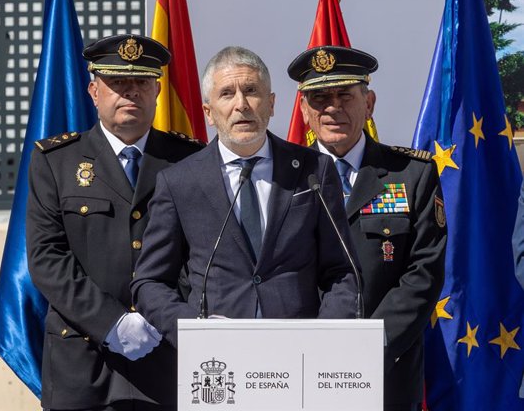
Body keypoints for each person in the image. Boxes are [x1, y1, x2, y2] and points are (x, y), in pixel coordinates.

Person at [130, 46, 358, 349]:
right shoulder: (179, 181)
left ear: (272, 103)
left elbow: (342, 271)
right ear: (209, 113)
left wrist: (324, 337)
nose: (241, 105)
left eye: (251, 91)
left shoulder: (313, 169)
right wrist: (191, 330)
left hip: (300, 353)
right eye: (226, 94)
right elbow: (149, 283)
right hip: (217, 359)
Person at [26, 34, 204, 411]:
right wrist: (111, 322)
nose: (130, 92)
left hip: (167, 358)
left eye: (141, 82)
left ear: (156, 90)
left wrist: (165, 317)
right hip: (83, 363)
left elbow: (201, 251)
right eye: (118, 83)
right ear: (94, 90)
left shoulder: (189, 160)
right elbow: (47, 259)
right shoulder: (55, 162)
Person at [289, 45, 447, 411]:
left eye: (345, 95)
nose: (332, 107)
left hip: (386, 369)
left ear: (369, 102)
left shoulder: (411, 174)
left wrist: (371, 343)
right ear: (303, 110)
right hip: (303, 365)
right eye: (319, 97)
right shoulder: (283, 178)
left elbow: (424, 272)